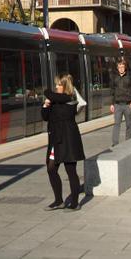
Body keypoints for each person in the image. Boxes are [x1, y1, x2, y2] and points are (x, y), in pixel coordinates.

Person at [41, 73, 86, 211]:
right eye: (56, 84)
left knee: (70, 170)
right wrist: (45, 105)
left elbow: (51, 94)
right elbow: (45, 117)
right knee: (51, 168)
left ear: (65, 85)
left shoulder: (70, 98)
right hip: (55, 139)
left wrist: (47, 93)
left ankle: (74, 202)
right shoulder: (56, 99)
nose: (56, 87)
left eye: (59, 84)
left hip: (68, 139)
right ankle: (59, 200)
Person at [110, 58, 131, 146]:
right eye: (119, 67)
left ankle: (128, 142)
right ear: (117, 67)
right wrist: (112, 103)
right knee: (116, 124)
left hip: (128, 104)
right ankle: (115, 144)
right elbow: (112, 91)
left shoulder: (130, 76)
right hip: (117, 104)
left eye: (122, 67)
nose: (121, 69)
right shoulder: (114, 77)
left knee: (129, 124)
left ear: (125, 67)